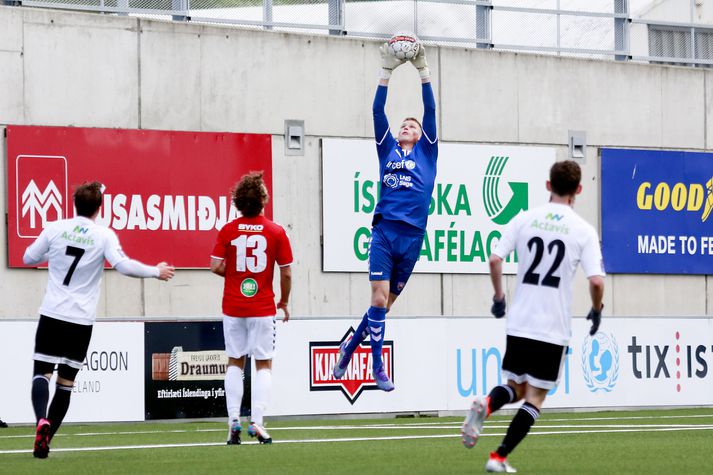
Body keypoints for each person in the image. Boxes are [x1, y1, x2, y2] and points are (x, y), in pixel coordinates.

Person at [461, 160, 605, 473]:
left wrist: (499, 298)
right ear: (578, 190)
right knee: (536, 396)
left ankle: (486, 404)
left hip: (520, 321)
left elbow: (495, 260)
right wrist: (596, 309)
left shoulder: (524, 218)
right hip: (552, 327)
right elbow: (596, 281)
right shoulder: (583, 230)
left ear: (547, 185)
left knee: (515, 387)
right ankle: (498, 457)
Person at [23, 181, 175, 459]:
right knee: (65, 384)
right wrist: (155, 271)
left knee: (41, 374)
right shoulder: (103, 235)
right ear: (99, 208)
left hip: (52, 314)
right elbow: (123, 265)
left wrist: (52, 253)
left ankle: (40, 422)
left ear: (74, 203)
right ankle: (45, 441)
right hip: (80, 321)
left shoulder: (55, 228)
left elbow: (28, 256)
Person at [332, 41, 438, 392]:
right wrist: (386, 72)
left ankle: (349, 348)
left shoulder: (427, 152)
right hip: (384, 231)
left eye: (413, 124)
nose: (408, 125)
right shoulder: (387, 150)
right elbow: (378, 111)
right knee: (378, 299)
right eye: (404, 124)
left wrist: (423, 73)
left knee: (385, 305)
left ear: (423, 136)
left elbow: (430, 110)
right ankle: (377, 365)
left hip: (413, 238)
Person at [210, 171, 292, 446]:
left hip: (233, 306)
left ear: (238, 202)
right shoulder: (276, 231)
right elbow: (287, 272)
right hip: (262, 307)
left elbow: (215, 266)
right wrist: (284, 301)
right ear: (263, 201)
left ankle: (233, 419)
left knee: (235, 360)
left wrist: (236, 276)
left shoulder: (228, 230)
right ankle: (256, 421)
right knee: (264, 364)